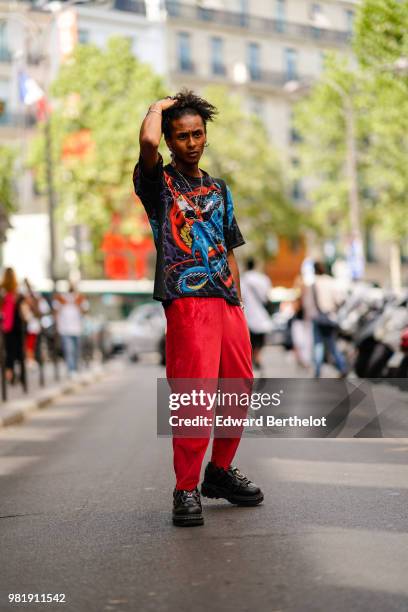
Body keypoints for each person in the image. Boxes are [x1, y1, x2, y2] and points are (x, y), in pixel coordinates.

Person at [134, 90, 264, 527]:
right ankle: (185, 488)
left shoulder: (219, 188)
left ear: (206, 136)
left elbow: (230, 248)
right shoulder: (158, 183)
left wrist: (239, 300)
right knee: (195, 395)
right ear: (171, 141)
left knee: (240, 384)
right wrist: (158, 108)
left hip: (226, 300)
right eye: (182, 136)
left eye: (197, 134)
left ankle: (219, 472)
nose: (191, 142)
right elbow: (147, 144)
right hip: (187, 300)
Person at [311, 262, 348, 378]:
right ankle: (342, 367)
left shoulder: (315, 283)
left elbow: (315, 302)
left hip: (319, 317)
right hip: (331, 317)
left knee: (318, 345)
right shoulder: (331, 281)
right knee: (332, 345)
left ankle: (317, 372)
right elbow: (340, 299)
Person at [241, 258, 272, 369]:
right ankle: (257, 355)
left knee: (250, 338)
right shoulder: (263, 279)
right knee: (260, 338)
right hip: (261, 313)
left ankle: (252, 356)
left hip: (248, 313)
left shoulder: (243, 279)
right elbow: (267, 296)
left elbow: (241, 297)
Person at [0, 268, 29, 384]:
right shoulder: (17, 292)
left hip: (7, 325)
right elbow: (24, 309)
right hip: (19, 326)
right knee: (20, 351)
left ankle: (9, 376)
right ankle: (22, 377)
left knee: (9, 352)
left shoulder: (3, 292)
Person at [54, 282, 87, 376]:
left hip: (77, 329)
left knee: (76, 351)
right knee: (69, 350)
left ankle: (75, 368)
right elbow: (56, 311)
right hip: (65, 329)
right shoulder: (61, 298)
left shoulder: (79, 297)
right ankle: (71, 370)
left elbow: (85, 310)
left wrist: (77, 303)